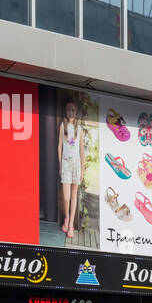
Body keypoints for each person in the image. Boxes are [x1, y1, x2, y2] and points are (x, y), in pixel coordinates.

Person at [58, 99, 86, 239]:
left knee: (74, 196)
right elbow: (60, 146)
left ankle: (70, 227)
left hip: (76, 165)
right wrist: (60, 164)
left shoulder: (79, 129)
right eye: (68, 109)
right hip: (66, 164)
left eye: (73, 110)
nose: (71, 112)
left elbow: (81, 149)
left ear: (76, 112)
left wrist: (82, 168)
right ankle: (67, 218)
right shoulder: (63, 125)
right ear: (65, 110)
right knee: (66, 197)